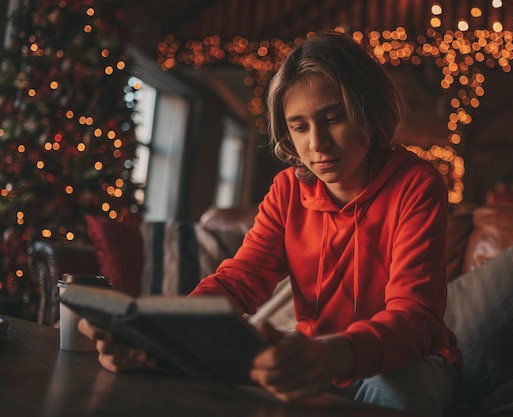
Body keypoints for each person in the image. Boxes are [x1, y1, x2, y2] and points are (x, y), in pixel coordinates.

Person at [78, 31, 461, 416]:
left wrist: (331, 354)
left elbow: (413, 317)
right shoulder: (287, 190)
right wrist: (163, 337)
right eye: (299, 126)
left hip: (407, 361)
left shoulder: (417, 183)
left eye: (333, 118)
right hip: (313, 354)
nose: (317, 144)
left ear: (370, 113)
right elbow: (240, 279)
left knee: (398, 393)